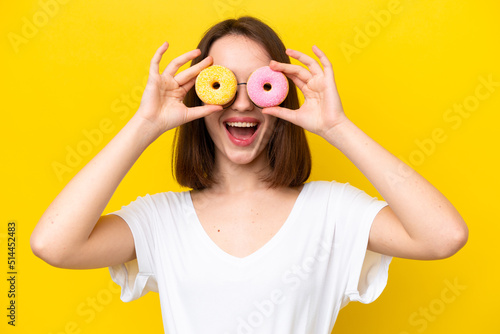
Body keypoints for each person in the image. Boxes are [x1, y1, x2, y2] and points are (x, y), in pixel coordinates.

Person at [31, 16, 468, 333]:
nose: (241, 104)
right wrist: (144, 126)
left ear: (282, 96)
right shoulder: (161, 221)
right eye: (223, 85)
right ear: (198, 94)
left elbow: (443, 236)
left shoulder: (331, 211)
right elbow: (53, 244)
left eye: (258, 85)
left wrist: (338, 128)